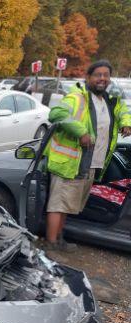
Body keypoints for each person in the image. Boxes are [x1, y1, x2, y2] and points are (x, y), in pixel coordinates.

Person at [44, 60, 131, 251]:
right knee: (58, 205)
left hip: (89, 164)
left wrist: (126, 123)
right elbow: (56, 113)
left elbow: (123, 111)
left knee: (68, 206)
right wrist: (81, 132)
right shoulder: (77, 97)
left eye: (106, 75)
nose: (102, 79)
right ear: (88, 77)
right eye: (98, 75)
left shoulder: (108, 101)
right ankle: (51, 245)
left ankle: (59, 239)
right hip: (70, 162)